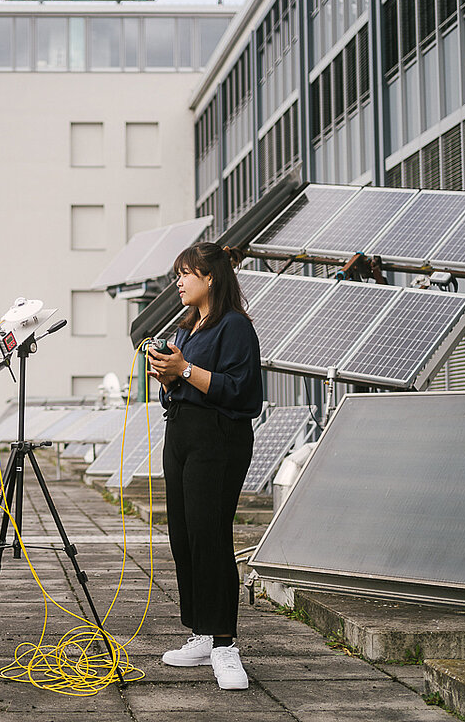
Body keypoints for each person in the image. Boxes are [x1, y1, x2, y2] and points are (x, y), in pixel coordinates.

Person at [146, 242, 262, 691]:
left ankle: (226, 645)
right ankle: (200, 631)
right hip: (182, 435)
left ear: (210, 277)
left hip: (219, 438)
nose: (178, 282)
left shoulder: (235, 327)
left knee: (211, 535)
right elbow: (182, 385)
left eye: (185, 274)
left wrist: (185, 369)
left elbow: (241, 391)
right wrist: (169, 375)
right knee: (185, 535)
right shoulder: (187, 328)